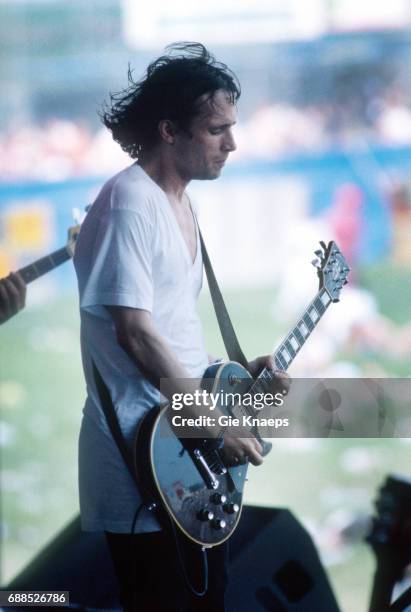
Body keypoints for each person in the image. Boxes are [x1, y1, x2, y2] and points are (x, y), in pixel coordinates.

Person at [73, 42, 288, 612]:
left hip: (183, 458)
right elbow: (136, 336)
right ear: (169, 131)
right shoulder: (129, 202)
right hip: (144, 468)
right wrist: (213, 425)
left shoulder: (178, 202)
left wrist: (239, 378)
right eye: (217, 129)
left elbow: (168, 332)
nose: (232, 143)